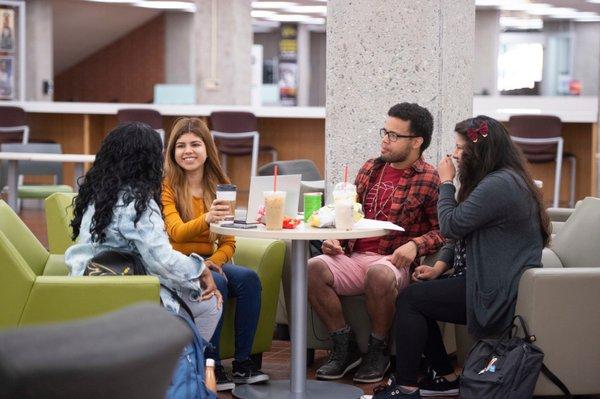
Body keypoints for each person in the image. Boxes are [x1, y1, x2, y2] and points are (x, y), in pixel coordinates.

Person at [369, 115, 550, 398]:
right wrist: (439, 267)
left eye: (461, 148)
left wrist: (446, 182)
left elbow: (451, 224)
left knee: (410, 300)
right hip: (482, 280)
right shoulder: (496, 180)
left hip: (495, 290)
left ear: (482, 151)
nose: (455, 154)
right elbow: (462, 234)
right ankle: (444, 376)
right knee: (417, 294)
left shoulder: (499, 185)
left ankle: (407, 387)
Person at [308, 103, 445, 383]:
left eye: (394, 135)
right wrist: (335, 238)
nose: (385, 139)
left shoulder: (430, 178)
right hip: (355, 255)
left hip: (392, 262)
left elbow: (445, 230)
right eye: (385, 131)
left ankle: (378, 350)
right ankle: (343, 347)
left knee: (379, 274)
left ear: (417, 142)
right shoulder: (371, 168)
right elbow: (348, 214)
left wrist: (416, 245)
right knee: (312, 268)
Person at [65, 122, 222, 342]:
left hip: (82, 286)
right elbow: (161, 260)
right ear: (149, 161)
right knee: (210, 304)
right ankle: (184, 372)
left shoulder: (97, 196)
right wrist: (199, 269)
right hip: (125, 292)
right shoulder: (137, 203)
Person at [162, 117, 268, 392]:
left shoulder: (221, 185)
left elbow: (229, 241)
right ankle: (214, 364)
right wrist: (208, 218)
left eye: (195, 144)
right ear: (172, 152)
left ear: (207, 148)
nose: (188, 151)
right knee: (218, 283)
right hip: (180, 263)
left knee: (248, 279)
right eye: (181, 145)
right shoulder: (167, 186)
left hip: (209, 261)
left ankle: (244, 364)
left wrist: (213, 262)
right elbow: (176, 232)